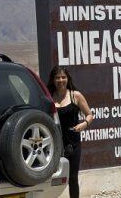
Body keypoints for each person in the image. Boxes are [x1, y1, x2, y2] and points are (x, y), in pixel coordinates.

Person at [47, 66, 94, 198]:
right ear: (53, 79)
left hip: (73, 144)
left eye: (63, 77)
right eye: (57, 77)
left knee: (72, 178)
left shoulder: (75, 95)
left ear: (67, 79)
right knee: (51, 179)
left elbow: (90, 115)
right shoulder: (48, 97)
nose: (60, 80)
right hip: (54, 145)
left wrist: (84, 124)